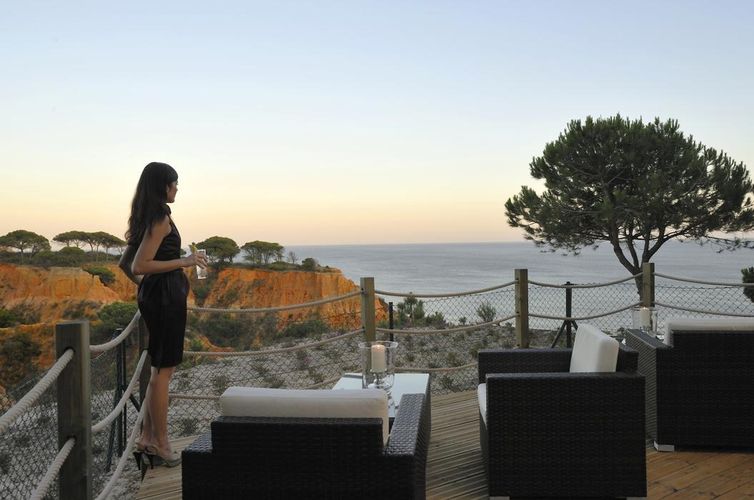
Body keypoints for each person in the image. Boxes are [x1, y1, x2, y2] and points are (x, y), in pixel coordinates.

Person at [118, 162, 207, 470]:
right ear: (163, 186)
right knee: (163, 373)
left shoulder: (147, 216)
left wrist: (147, 289)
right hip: (166, 300)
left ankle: (147, 438)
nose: (177, 188)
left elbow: (125, 264)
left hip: (159, 297)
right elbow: (139, 265)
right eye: (174, 183)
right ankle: (162, 444)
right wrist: (185, 261)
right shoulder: (160, 218)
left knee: (158, 370)